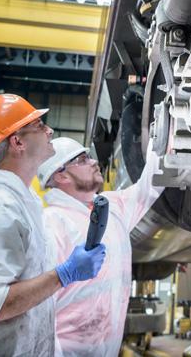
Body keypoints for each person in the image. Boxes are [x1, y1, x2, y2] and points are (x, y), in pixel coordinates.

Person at [0, 94, 107, 357]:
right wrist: (64, 274)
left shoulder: (20, 200)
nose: (49, 130)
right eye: (39, 126)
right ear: (17, 142)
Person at [38, 136, 164, 357]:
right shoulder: (51, 223)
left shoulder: (110, 208)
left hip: (106, 350)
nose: (94, 162)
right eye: (82, 159)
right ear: (61, 175)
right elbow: (38, 306)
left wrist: (161, 138)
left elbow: (149, 186)